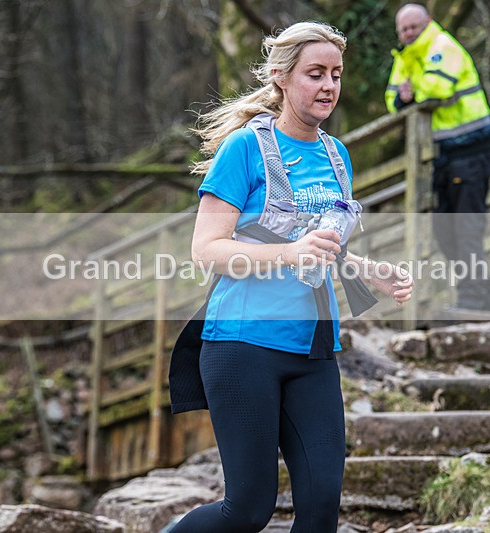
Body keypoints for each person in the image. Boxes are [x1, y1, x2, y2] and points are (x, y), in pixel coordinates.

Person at [166, 21, 413, 533]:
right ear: (282, 78)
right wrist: (291, 252)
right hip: (242, 345)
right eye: (315, 74)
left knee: (321, 507)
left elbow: (322, 245)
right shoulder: (245, 149)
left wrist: (370, 271)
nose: (329, 86)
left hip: (313, 350)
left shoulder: (336, 155)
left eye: (336, 75)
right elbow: (206, 250)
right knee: (248, 511)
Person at [385, 3, 490, 312]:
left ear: (428, 22)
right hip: (440, 155)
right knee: (445, 233)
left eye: (413, 26)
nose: (408, 33)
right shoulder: (405, 58)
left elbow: (437, 89)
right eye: (403, 29)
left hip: (470, 149)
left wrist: (410, 91)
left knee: (466, 228)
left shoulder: (443, 46)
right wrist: (408, 94)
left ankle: (471, 301)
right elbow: (392, 100)